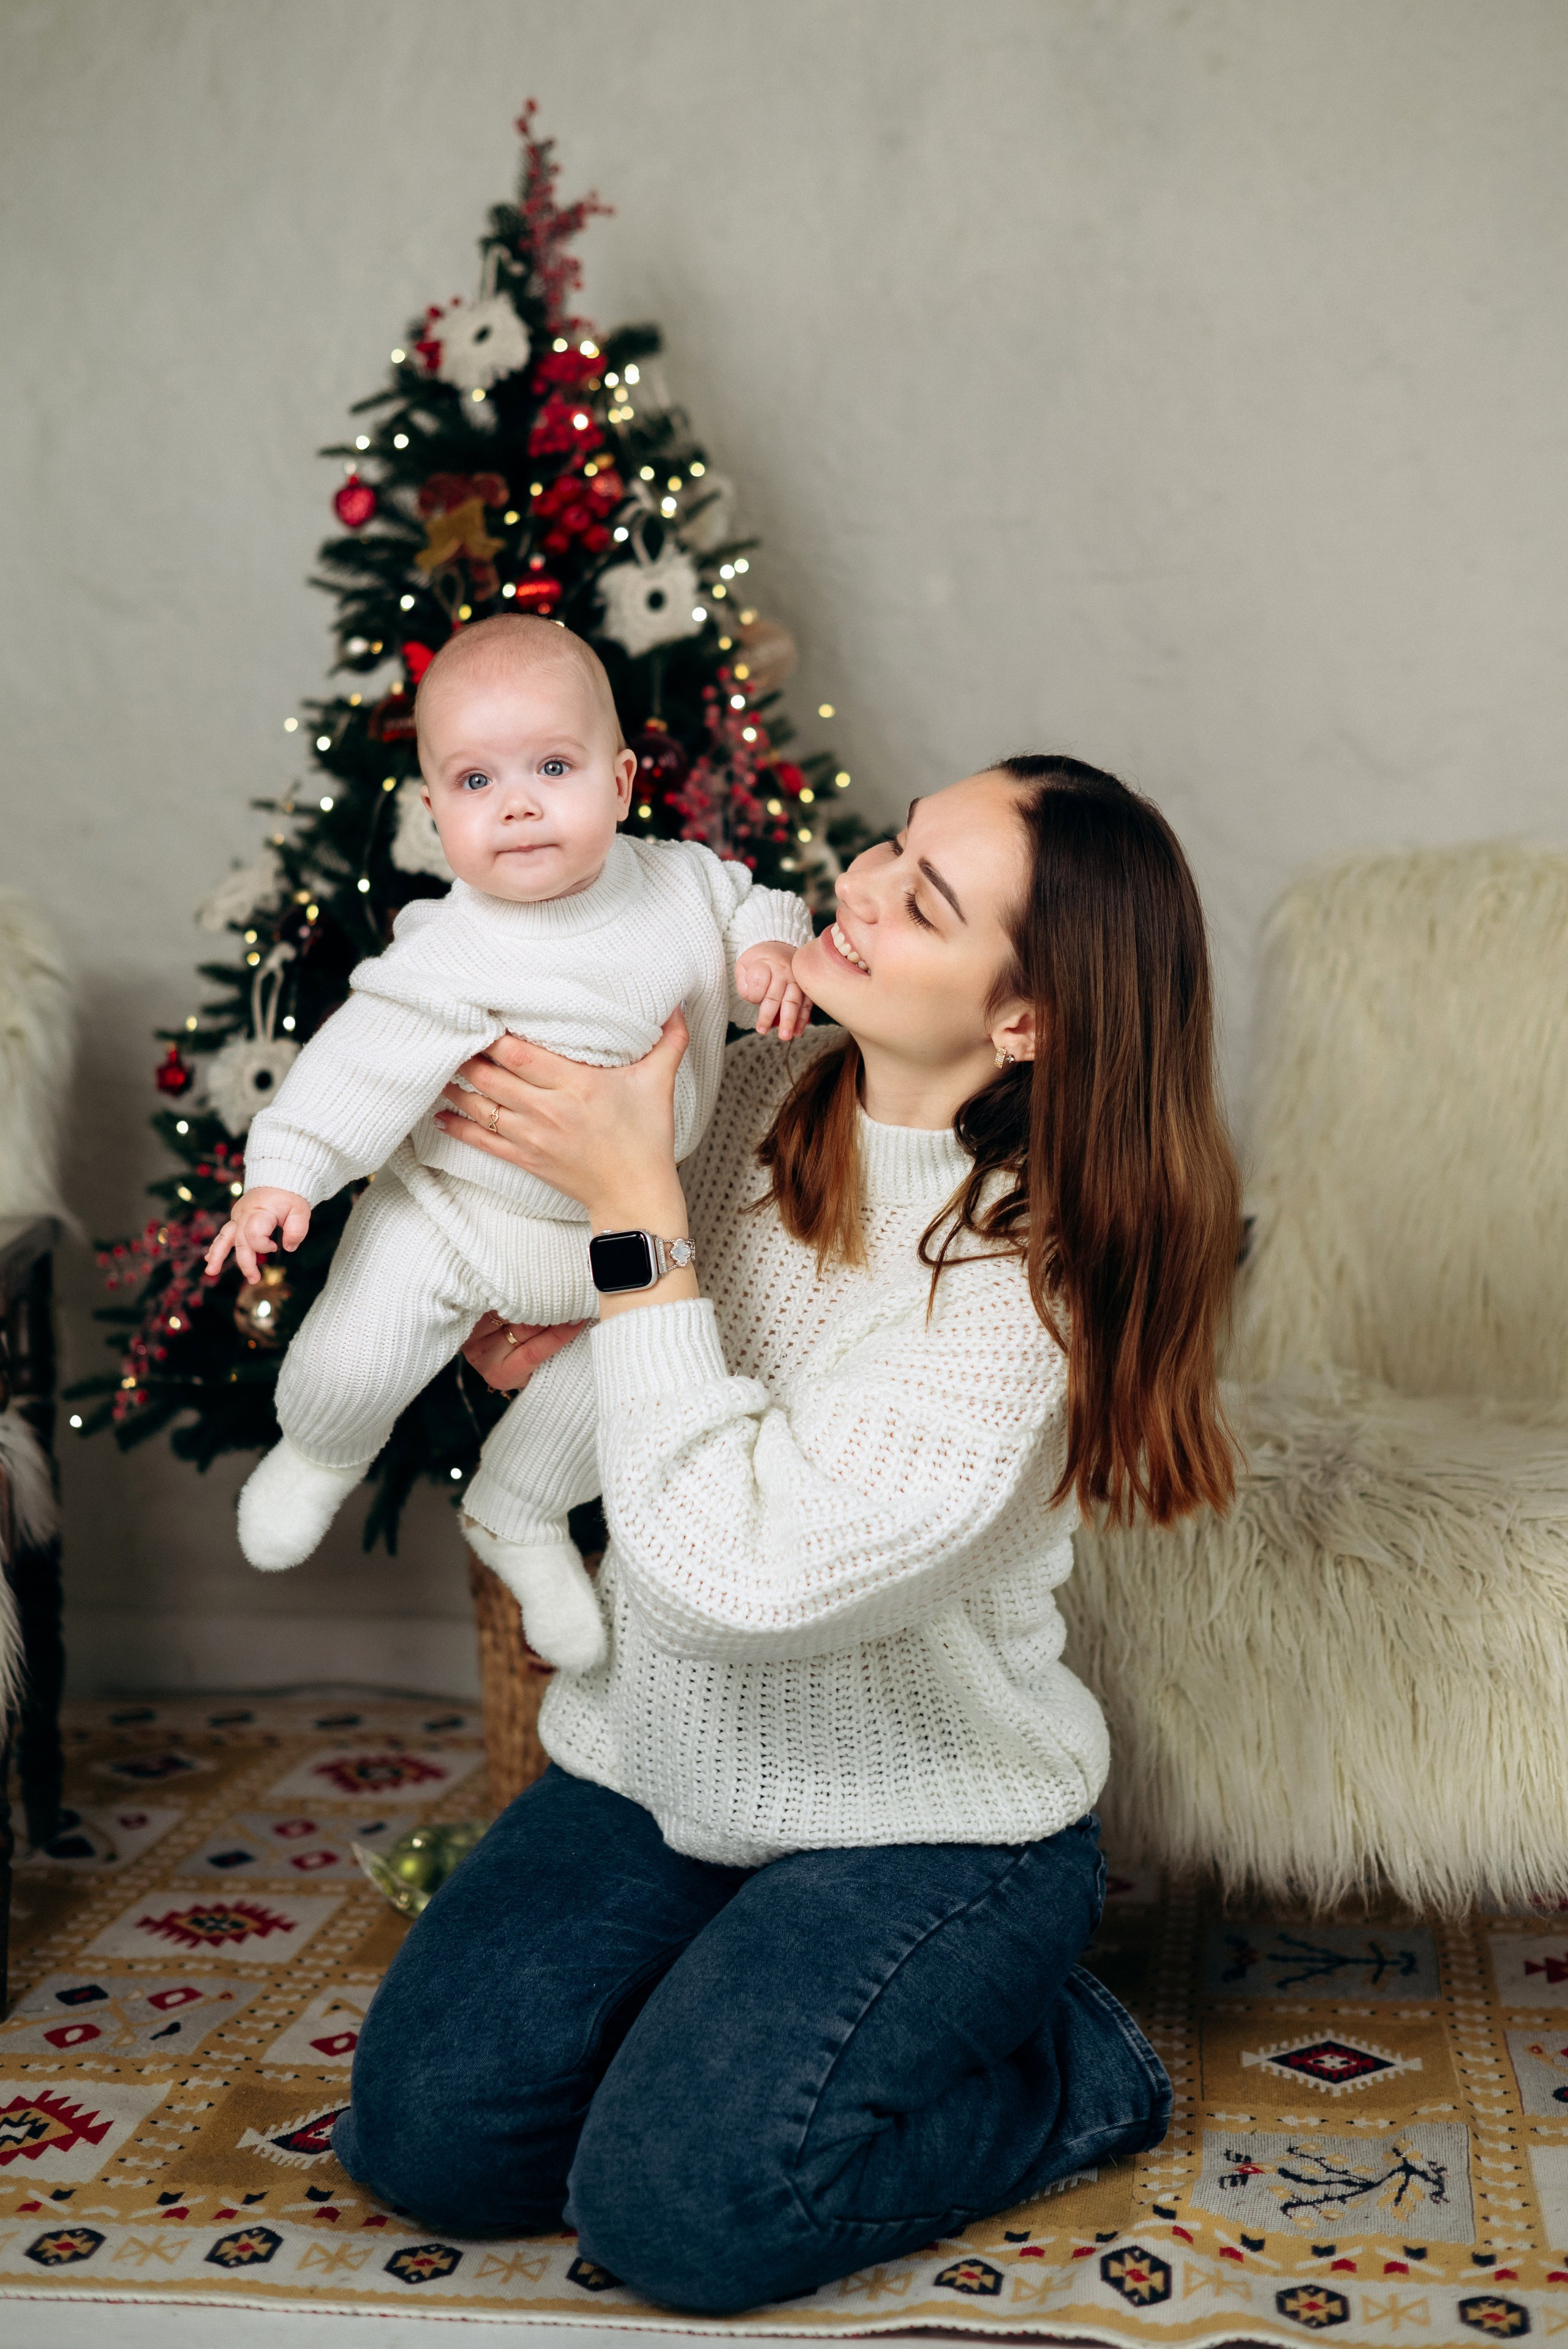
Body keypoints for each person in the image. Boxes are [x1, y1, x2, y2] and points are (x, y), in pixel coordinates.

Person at [332, 755, 1242, 2315]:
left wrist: (634, 1230)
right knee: (429, 2138)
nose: (861, 882)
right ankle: (722, 2004)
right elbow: (602, 1324)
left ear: (1025, 1017)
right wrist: (531, 1313)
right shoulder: (747, 1091)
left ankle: (1072, 2061)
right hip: (662, 1759)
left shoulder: (1031, 1282)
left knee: (681, 2210)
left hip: (925, 1820)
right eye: (889, 844)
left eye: (924, 896)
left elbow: (736, 1574)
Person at [204, 615, 812, 1668]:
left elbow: (764, 904)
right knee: (353, 1357)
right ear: (434, 814)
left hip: (611, 1233)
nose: (518, 802)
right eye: (476, 783)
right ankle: (316, 1449)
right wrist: (286, 1175)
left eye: (553, 766)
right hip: (452, 1221)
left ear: (623, 783)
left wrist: (770, 955)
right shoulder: (449, 954)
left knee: (613, 1399)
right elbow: (351, 1066)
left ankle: (519, 1518)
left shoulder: (685, 884)